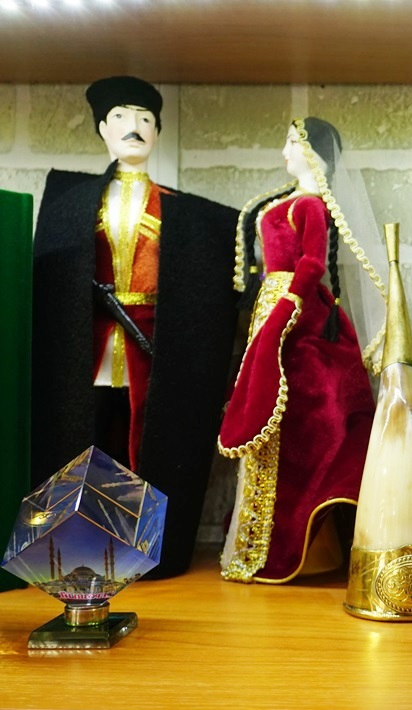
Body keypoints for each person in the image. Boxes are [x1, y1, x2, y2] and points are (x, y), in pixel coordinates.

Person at [31, 76, 239, 578]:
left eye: (146, 119)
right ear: (103, 128)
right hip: (92, 340)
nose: (135, 127)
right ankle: (79, 542)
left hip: (148, 340)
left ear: (158, 132)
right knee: (88, 429)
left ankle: (136, 543)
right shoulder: (72, 203)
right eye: (122, 117)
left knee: (141, 437)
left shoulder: (180, 210)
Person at [218, 117, 385, 583]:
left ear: (315, 152)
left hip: (295, 315)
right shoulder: (286, 201)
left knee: (302, 418)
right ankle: (264, 540)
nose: (285, 151)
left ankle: (292, 539)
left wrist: (288, 306)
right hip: (274, 308)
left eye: (293, 142)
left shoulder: (309, 205)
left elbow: (311, 261)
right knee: (271, 409)